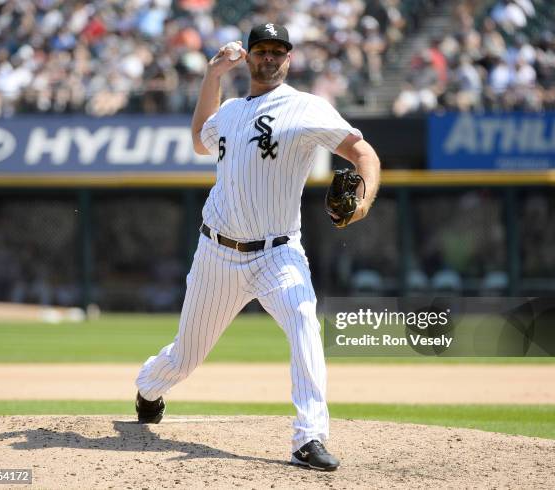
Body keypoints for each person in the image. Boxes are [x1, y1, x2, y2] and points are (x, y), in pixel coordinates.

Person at [135, 23, 381, 471]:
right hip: (217, 253)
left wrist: (363, 201)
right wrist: (212, 77)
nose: (270, 58)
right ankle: (149, 389)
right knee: (185, 357)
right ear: (248, 57)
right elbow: (197, 141)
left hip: (278, 252)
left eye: (278, 51)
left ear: (289, 58)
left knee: (305, 320)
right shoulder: (228, 112)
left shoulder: (305, 108)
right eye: (262, 50)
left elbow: (363, 153)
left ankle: (309, 437)